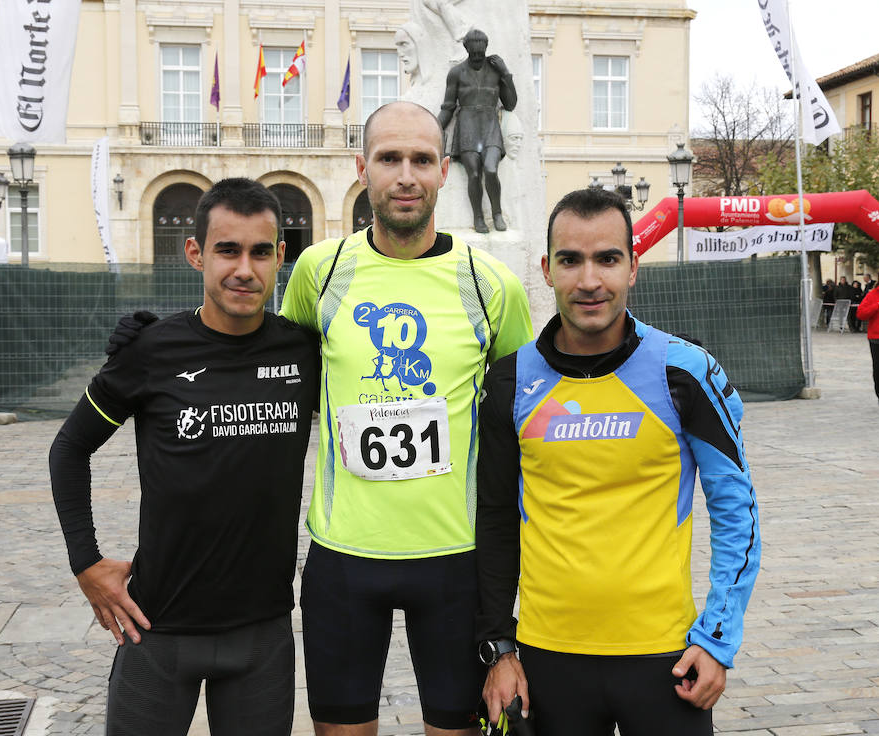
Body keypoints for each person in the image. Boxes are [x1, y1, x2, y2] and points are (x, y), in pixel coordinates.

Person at [280, 100, 533, 736]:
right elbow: (270, 366)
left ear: (445, 170)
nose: (405, 175)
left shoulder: (491, 285)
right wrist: (170, 334)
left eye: (421, 159)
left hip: (454, 560)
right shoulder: (321, 270)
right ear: (361, 167)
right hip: (343, 557)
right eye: (389, 158)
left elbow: (522, 415)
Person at [475, 187, 761, 735]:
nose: (589, 281)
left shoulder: (686, 372)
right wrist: (498, 649)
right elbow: (493, 520)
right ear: (546, 268)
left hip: (666, 659)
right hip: (545, 660)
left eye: (607, 259)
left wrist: (718, 640)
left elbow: (737, 513)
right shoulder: (510, 380)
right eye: (570, 260)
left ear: (633, 267)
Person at [49, 178, 319, 736]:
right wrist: (86, 562)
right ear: (195, 253)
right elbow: (70, 447)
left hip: (262, 634)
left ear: (279, 257)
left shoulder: (304, 351)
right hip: (158, 628)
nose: (244, 268)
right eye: (228, 249)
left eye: (260, 251)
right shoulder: (152, 351)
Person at [438, 29, 517, 234]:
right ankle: (478, 217)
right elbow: (448, 107)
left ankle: (497, 213)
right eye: (473, 55)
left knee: (490, 169)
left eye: (480, 55)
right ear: (467, 50)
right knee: (474, 173)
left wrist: (506, 73)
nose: (477, 58)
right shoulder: (456, 73)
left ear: (485, 50)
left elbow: (510, 104)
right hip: (467, 127)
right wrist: (434, 129)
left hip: (490, 126)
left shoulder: (495, 71)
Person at [856, 271, 879, 409]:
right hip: (877, 338)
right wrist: (877, 306)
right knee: (878, 369)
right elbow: (861, 313)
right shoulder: (872, 295)